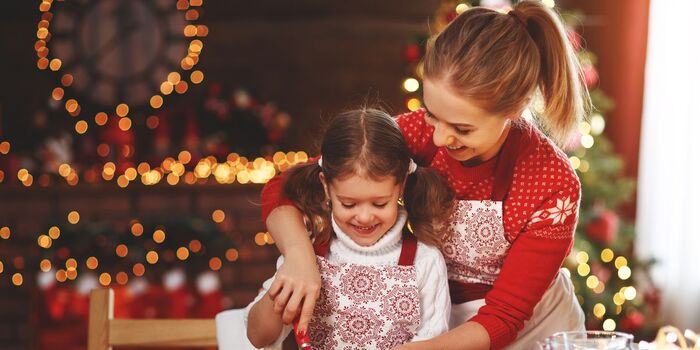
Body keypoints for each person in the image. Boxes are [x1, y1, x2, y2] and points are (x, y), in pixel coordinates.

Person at [260, 1, 590, 349]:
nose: (439, 138)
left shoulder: (553, 184)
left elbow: (504, 318)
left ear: (515, 107)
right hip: (443, 321)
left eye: (462, 128)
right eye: (433, 114)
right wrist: (299, 256)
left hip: (534, 331)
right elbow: (283, 187)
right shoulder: (414, 133)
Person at [246, 108, 454, 349]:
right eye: (349, 204)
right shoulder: (307, 253)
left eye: (379, 203)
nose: (364, 217)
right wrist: (282, 291)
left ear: (401, 185)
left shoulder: (425, 261)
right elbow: (258, 336)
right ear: (325, 187)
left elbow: (433, 341)